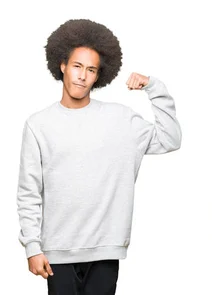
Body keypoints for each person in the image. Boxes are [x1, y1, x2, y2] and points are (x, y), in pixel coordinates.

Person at [16, 19, 182, 294]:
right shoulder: (39, 124)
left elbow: (170, 139)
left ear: (98, 75)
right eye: (77, 66)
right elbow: (28, 191)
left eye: (90, 69)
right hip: (57, 252)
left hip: (106, 249)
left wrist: (154, 88)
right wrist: (32, 247)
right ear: (62, 66)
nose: (82, 76)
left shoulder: (120, 119)